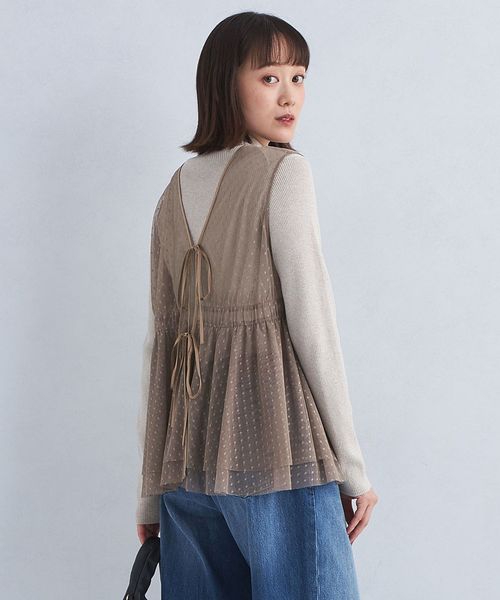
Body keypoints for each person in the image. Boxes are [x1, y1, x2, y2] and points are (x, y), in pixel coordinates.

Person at [135, 11, 378, 599]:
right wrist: (352, 468)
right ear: (226, 84)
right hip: (276, 447)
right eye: (269, 78)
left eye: (299, 77)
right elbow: (312, 324)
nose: (290, 95)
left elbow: (158, 346)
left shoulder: (173, 188)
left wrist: (148, 492)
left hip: (184, 463)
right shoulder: (284, 172)